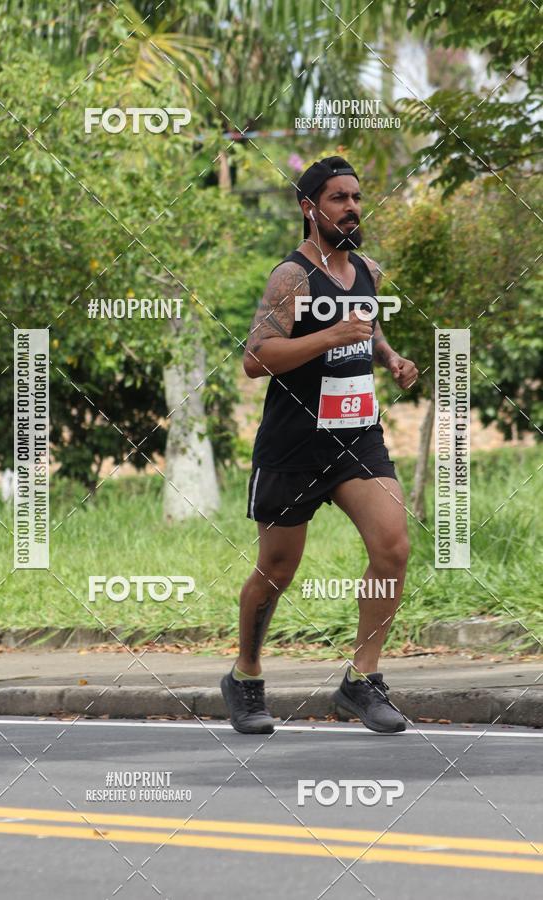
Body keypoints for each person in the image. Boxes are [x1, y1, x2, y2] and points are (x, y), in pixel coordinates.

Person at [221, 156, 419, 735]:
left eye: (357, 197)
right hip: (293, 444)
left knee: (393, 547)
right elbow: (256, 358)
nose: (353, 207)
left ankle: (362, 680)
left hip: (357, 436)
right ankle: (246, 675)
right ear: (310, 208)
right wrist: (331, 334)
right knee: (277, 568)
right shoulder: (293, 278)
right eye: (339, 198)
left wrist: (391, 358)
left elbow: (370, 326)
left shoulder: (367, 270)